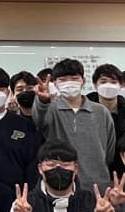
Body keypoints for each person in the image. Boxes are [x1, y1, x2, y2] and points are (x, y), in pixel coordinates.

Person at [34, 59, 115, 190]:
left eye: (74, 78)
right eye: (63, 80)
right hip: (61, 184)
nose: (69, 83)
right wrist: (43, 101)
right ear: (55, 83)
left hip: (98, 184)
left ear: (83, 81)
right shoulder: (50, 109)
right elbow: (39, 120)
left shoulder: (101, 111)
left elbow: (109, 152)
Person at [85, 63, 125, 141]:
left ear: (120, 85)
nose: (108, 86)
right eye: (103, 82)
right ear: (95, 85)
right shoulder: (84, 110)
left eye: (113, 82)